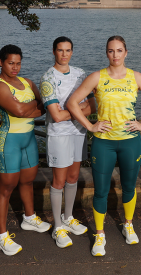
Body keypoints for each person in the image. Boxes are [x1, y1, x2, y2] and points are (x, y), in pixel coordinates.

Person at [67, 35, 141, 257]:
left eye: (119, 51)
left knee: (129, 187)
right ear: (107, 53)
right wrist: (90, 126)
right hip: (104, 143)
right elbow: (72, 103)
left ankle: (128, 224)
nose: (115, 55)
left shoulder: (135, 77)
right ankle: (100, 234)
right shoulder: (97, 77)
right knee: (101, 190)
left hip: (130, 142)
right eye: (111, 51)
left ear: (126, 52)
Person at [0, 44, 49, 255]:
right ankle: (1, 236)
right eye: (10, 63)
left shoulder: (27, 82)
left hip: (29, 140)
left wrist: (30, 108)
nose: (15, 67)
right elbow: (19, 110)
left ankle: (29, 217)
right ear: (1, 62)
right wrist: (32, 105)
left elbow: (44, 106)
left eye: (18, 63)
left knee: (27, 180)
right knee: (6, 188)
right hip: (9, 141)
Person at [40, 37, 95, 248]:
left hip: (78, 132)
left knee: (73, 177)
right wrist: (78, 109)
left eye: (68, 50)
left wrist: (70, 110)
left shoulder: (81, 74)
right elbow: (56, 117)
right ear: (54, 51)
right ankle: (57, 227)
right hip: (59, 135)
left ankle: (68, 217)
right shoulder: (47, 78)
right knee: (59, 181)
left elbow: (93, 107)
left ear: (72, 52)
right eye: (60, 50)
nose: (64, 54)